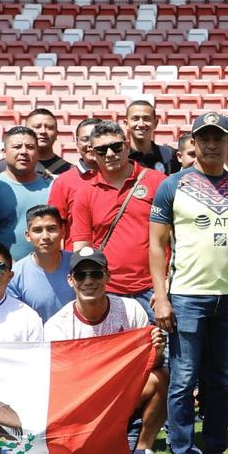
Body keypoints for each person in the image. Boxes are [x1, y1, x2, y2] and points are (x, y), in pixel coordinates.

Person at [151, 112, 228, 454]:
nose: (212, 144)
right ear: (193, 142)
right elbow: (156, 245)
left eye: (219, 137)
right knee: (182, 380)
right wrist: (161, 296)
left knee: (223, 381)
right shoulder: (172, 186)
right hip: (185, 297)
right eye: (204, 137)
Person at [44, 247, 173, 454]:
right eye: (81, 275)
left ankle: (142, 451)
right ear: (70, 280)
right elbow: (59, 383)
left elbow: (149, 364)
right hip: (81, 402)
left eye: (95, 273)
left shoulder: (131, 309)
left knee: (161, 376)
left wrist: (158, 350)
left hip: (124, 394)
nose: (89, 281)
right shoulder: (57, 326)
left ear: (107, 276)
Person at [66, 121, 165, 313]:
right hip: (107, 289)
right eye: (102, 150)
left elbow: (175, 238)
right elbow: (82, 246)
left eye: (116, 146)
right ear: (93, 154)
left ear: (127, 146)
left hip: (154, 289)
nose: (110, 154)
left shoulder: (157, 182)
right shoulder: (85, 193)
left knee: (160, 343)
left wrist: (166, 283)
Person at [0, 125, 54, 262]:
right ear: (4, 152)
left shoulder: (53, 185)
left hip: (49, 269)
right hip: (6, 273)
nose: (24, 152)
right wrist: (11, 265)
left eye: (30, 147)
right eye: (17, 147)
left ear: (38, 152)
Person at [8, 205, 75, 322]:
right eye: (38, 230)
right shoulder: (15, 275)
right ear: (28, 236)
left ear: (63, 232)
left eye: (51, 229)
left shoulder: (77, 265)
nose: (45, 236)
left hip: (76, 339)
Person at [124, 100, 179, 174]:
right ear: (126, 123)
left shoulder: (169, 155)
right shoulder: (120, 156)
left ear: (155, 123)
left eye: (146, 119)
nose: (141, 124)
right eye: (135, 119)